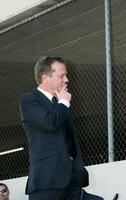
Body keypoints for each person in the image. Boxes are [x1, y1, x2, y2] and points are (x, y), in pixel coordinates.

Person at [20, 56, 89, 200]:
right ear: (45, 77)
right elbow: (49, 123)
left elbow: (70, 139)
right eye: (61, 76)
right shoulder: (29, 100)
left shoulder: (61, 102)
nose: (66, 80)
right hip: (47, 182)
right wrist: (63, 103)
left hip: (72, 182)